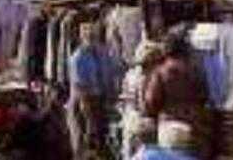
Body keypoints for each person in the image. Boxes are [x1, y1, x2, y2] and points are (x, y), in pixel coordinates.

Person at [142, 32, 213, 159]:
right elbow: (204, 97)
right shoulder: (195, 71)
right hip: (194, 126)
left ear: (166, 50)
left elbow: (151, 101)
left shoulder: (160, 72)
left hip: (170, 128)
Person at [70, 22, 122, 160]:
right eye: (88, 35)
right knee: (89, 134)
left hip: (102, 98)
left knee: (102, 134)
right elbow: (80, 86)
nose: (92, 37)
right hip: (86, 100)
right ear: (82, 37)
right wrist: (87, 111)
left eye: (93, 34)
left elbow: (112, 71)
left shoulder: (103, 52)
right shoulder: (77, 57)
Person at [120, 41, 165, 160]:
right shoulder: (148, 77)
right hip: (143, 124)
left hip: (129, 119)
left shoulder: (130, 74)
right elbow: (145, 105)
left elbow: (124, 98)